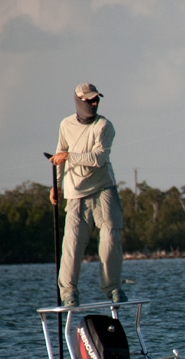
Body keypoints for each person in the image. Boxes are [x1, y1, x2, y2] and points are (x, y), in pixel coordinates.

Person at [49, 82, 125, 307]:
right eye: (89, 100)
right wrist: (57, 186)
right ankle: (68, 293)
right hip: (75, 194)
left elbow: (98, 158)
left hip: (103, 189)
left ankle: (112, 288)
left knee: (111, 236)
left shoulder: (104, 126)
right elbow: (58, 156)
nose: (94, 103)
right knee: (71, 244)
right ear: (78, 101)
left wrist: (69, 156)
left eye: (96, 99)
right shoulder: (65, 125)